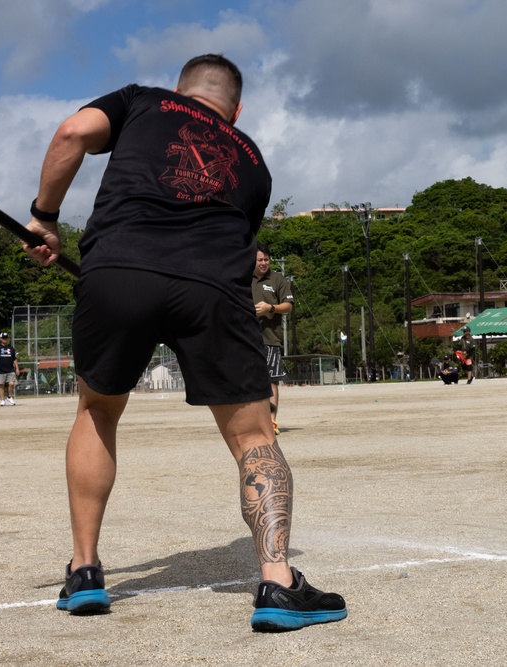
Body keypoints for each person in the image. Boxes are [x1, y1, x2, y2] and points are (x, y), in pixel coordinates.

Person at [22, 54, 346, 631]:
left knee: (98, 411)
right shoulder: (253, 161)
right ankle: (277, 582)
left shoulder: (142, 101)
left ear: (181, 90)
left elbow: (72, 131)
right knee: (253, 435)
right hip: (213, 288)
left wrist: (44, 217)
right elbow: (242, 249)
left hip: (119, 268)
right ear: (236, 109)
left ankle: (86, 571)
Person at [251, 242, 293, 435]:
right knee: (246, 380)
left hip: (269, 339)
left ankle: (271, 421)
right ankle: (251, 422)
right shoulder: (242, 278)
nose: (263, 263)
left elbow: (289, 306)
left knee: (272, 381)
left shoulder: (278, 280)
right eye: (260, 259)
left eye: (266, 259)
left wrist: (270, 308)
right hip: (245, 338)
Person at [0, 332, 20, 406]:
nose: (5, 339)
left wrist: (17, 368)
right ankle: (2, 400)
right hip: (0, 369)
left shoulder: (11, 348)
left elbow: (14, 359)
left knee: (11, 383)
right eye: (3, 338)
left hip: (10, 369)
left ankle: (9, 397)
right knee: (1, 385)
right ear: (1, 339)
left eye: (6, 338)